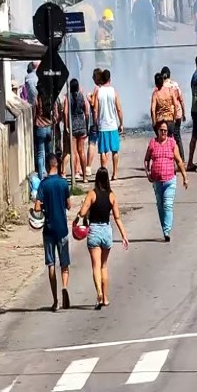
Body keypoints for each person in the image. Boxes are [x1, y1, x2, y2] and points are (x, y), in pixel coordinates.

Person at [76, 167, 128, 308]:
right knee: (104, 266)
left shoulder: (92, 194)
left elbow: (82, 212)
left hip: (94, 230)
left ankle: (98, 292)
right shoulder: (112, 196)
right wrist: (124, 236)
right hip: (106, 230)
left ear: (97, 179)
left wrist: (81, 209)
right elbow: (117, 217)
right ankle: (105, 298)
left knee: (96, 266)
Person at [34, 152, 72, 312]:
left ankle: (55, 300)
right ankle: (65, 286)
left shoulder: (43, 185)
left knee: (51, 264)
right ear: (57, 165)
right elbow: (69, 205)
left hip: (48, 229)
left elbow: (37, 207)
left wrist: (41, 207)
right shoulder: (63, 183)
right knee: (64, 264)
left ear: (47, 166)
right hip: (62, 228)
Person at [144, 119, 188, 242]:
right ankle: (164, 228)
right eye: (161, 130)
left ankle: (167, 231)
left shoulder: (172, 143)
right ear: (157, 131)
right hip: (157, 181)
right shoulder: (152, 143)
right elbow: (146, 159)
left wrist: (185, 177)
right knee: (160, 205)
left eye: (165, 131)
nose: (163, 133)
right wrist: (148, 173)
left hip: (170, 180)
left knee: (167, 205)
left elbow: (179, 161)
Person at [92, 68, 124, 180]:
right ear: (109, 79)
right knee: (115, 150)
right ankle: (115, 173)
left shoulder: (98, 92)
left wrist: (96, 123)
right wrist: (121, 123)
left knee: (103, 152)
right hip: (113, 125)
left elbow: (95, 109)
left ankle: (104, 175)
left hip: (102, 126)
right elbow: (119, 109)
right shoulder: (113, 91)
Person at [64, 78, 90, 183]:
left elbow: (65, 112)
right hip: (81, 125)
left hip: (73, 125)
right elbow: (87, 111)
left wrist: (66, 126)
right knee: (81, 152)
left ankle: (75, 175)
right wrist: (86, 124)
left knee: (73, 152)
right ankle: (84, 177)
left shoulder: (67, 97)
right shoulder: (81, 96)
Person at [160, 66, 186, 162]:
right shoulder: (175, 85)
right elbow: (181, 100)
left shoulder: (162, 86)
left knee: (168, 138)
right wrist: (183, 112)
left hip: (168, 116)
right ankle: (181, 159)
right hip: (178, 113)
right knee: (177, 136)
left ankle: (170, 159)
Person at [150, 72, 179, 140]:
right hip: (170, 120)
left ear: (155, 83)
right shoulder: (170, 90)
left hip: (160, 121)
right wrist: (174, 118)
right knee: (170, 141)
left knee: (160, 142)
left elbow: (152, 110)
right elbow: (176, 105)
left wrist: (154, 122)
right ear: (163, 81)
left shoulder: (155, 94)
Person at [86, 69, 103, 179]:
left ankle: (88, 167)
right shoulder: (103, 89)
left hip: (95, 121)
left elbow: (94, 104)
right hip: (102, 121)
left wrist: (88, 97)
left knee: (92, 143)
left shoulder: (96, 89)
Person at [33, 92, 55, 177]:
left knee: (40, 153)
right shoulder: (50, 98)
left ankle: (42, 175)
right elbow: (55, 113)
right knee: (49, 152)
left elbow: (34, 112)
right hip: (48, 126)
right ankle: (50, 172)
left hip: (40, 126)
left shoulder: (37, 98)